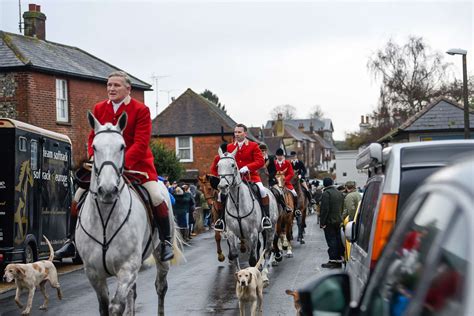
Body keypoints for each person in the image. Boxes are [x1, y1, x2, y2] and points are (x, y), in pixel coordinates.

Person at [54, 71, 174, 262]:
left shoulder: (141, 110)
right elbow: (94, 137)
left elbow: (141, 143)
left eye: (116, 85)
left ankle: (166, 241)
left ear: (128, 88)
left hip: (137, 166)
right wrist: (95, 157)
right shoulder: (100, 108)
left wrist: (122, 162)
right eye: (109, 85)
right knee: (77, 196)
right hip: (104, 166)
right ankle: (71, 242)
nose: (111, 89)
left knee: (157, 196)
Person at [212, 124, 272, 231]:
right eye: (235, 132)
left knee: (262, 191)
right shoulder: (230, 147)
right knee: (221, 195)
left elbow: (260, 161)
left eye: (239, 132)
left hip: (251, 177)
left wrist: (247, 167)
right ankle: (221, 220)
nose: (237, 134)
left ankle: (265, 217)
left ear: (245, 133)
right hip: (234, 180)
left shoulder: (253, 145)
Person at [320, 177, 345, 269]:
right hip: (338, 220)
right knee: (338, 240)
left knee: (331, 240)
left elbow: (325, 209)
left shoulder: (326, 193)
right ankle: (339, 259)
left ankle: (333, 260)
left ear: (324, 184)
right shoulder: (339, 193)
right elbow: (342, 207)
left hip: (329, 221)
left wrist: (322, 222)